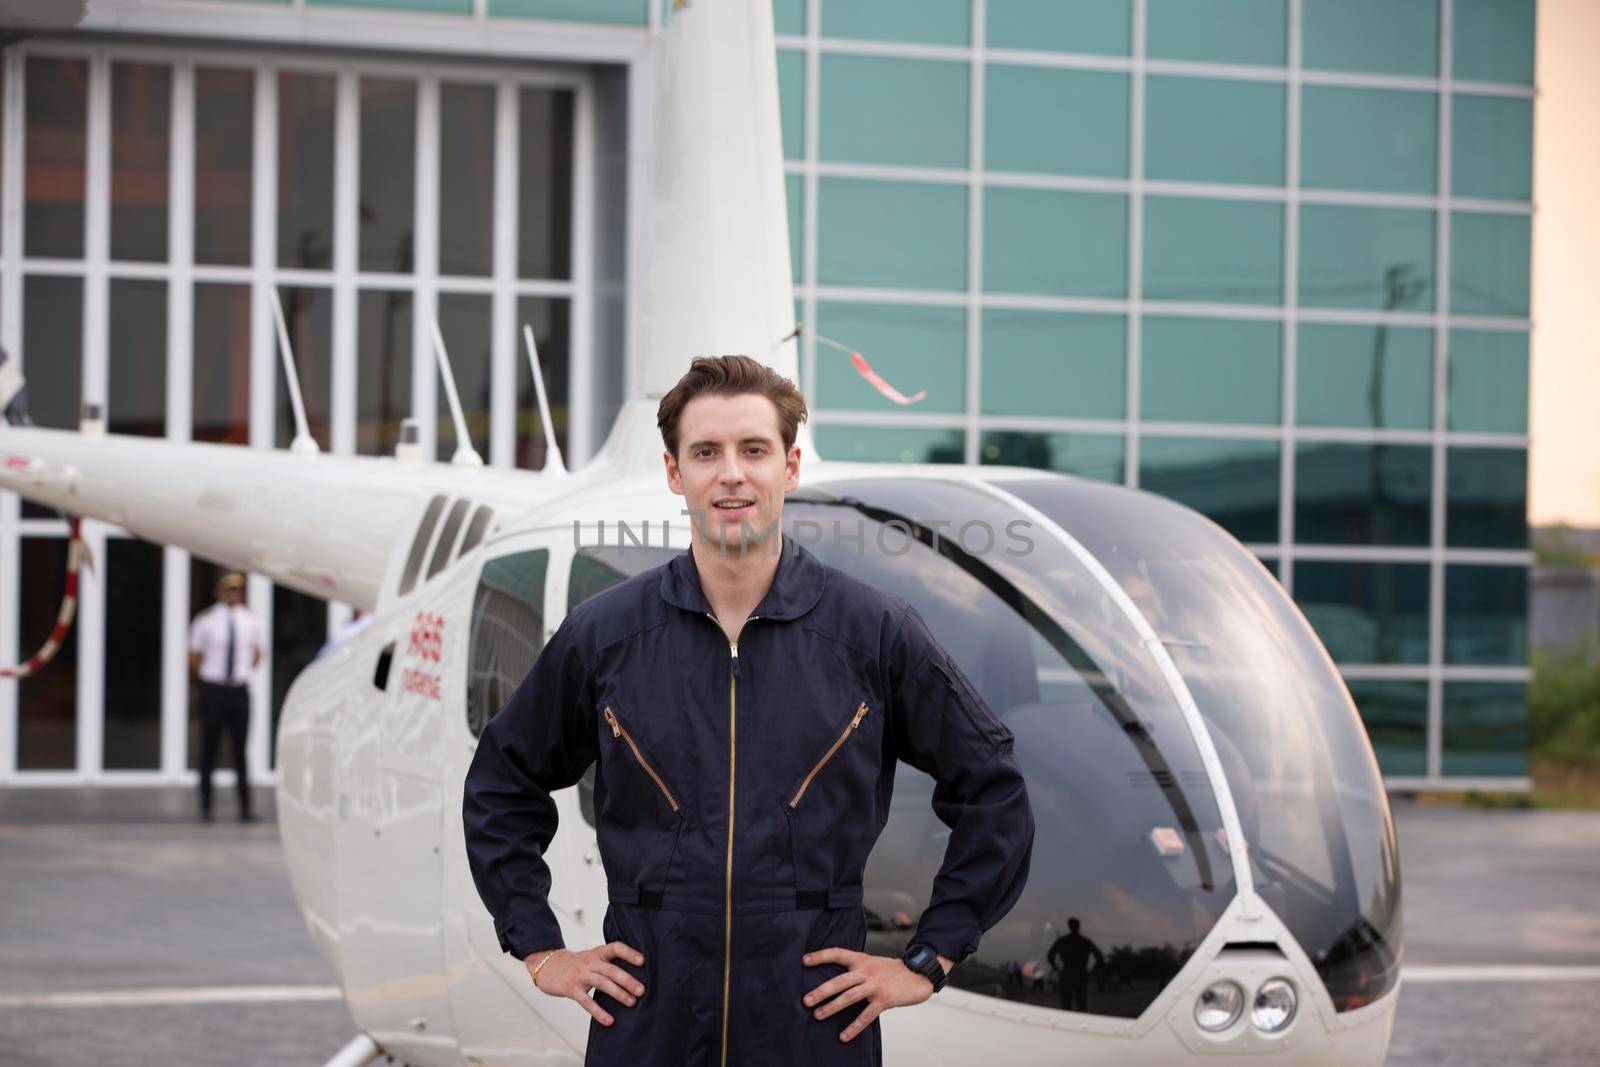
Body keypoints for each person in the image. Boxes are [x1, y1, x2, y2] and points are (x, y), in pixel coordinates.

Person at [463, 355, 1035, 1066]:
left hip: (814, 1031)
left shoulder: (873, 634)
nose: (731, 473)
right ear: (675, 473)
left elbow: (994, 787)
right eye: (707, 452)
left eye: (754, 450)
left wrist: (931, 955)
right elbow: (501, 781)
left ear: (789, 467)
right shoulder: (605, 635)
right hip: (649, 1031)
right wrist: (541, 947)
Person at [188, 571, 263, 822]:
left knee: (240, 750)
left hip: (238, 690)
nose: (233, 594)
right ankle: (206, 805)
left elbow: (257, 653)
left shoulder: (251, 621)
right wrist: (211, 676)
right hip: (214, 689)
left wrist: (241, 673)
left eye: (237, 590)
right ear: (219, 592)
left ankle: (245, 807)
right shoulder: (206, 620)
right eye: (228, 590)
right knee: (209, 748)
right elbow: (195, 656)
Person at [1047, 917, 1104, 1013]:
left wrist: (1057, 968)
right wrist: (1092, 972)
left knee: (1067, 1004)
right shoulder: (1085, 941)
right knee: (1080, 1004)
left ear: (1069, 926)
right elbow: (1099, 957)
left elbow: (1050, 955)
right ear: (1078, 926)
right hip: (1080, 973)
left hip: (1068, 973)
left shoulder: (1063, 940)